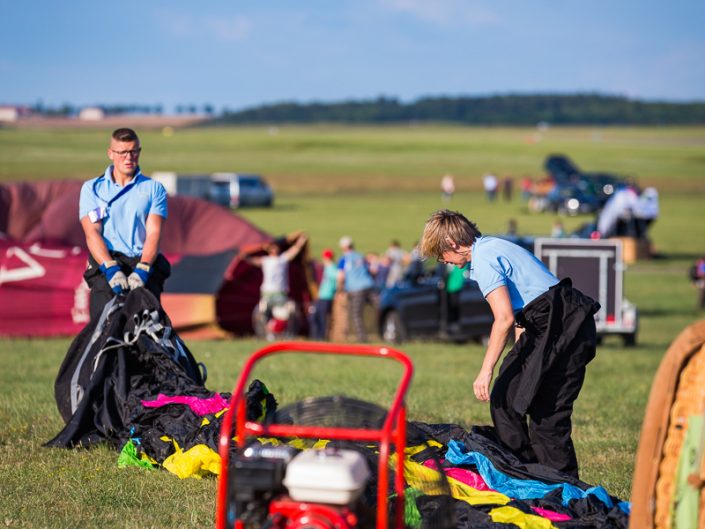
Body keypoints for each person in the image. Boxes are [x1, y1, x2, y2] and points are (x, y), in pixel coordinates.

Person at [419, 209, 600, 478]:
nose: (443, 261)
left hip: (564, 325)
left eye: (440, 254)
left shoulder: (484, 259)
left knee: (547, 415)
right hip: (548, 322)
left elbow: (503, 318)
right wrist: (519, 357)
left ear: (453, 245)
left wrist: (485, 371)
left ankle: (562, 487)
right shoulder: (490, 246)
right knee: (506, 399)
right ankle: (526, 471)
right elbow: (523, 310)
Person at [79, 127, 170, 320]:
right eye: (122, 152)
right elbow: (92, 233)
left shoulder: (154, 189)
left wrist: (143, 269)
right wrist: (111, 269)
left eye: (134, 151)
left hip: (142, 263)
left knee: (152, 331)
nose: (129, 157)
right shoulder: (92, 189)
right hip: (107, 263)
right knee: (103, 328)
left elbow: (154, 233)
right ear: (111, 154)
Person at [247, 232, 308, 318]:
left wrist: (300, 242)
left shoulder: (282, 259)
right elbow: (250, 260)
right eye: (272, 248)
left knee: (283, 315)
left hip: (280, 291)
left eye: (275, 247)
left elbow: (294, 250)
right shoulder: (265, 260)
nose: (274, 249)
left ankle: (277, 328)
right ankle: (267, 327)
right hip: (267, 292)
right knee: (263, 314)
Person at [337, 236, 377, 342]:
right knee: (379, 309)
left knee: (356, 314)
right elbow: (372, 271)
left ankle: (362, 338)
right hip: (369, 286)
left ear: (343, 247)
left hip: (356, 290)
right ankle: (383, 332)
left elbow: (341, 277)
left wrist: (340, 290)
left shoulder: (344, 259)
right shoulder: (360, 256)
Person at [308, 248, 337, 340]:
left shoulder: (332, 268)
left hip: (327, 296)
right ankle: (317, 336)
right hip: (322, 296)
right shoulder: (328, 268)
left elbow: (338, 278)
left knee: (322, 317)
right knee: (316, 316)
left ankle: (321, 336)